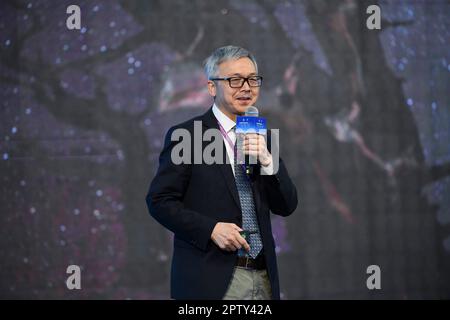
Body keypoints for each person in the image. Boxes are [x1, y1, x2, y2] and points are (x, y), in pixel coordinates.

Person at [146, 45, 298, 300]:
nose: (246, 88)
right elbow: (159, 202)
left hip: (262, 277)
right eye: (235, 80)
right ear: (212, 87)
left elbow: (286, 205)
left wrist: (268, 160)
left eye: (252, 79)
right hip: (211, 279)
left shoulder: (262, 136)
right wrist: (211, 229)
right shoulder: (188, 136)